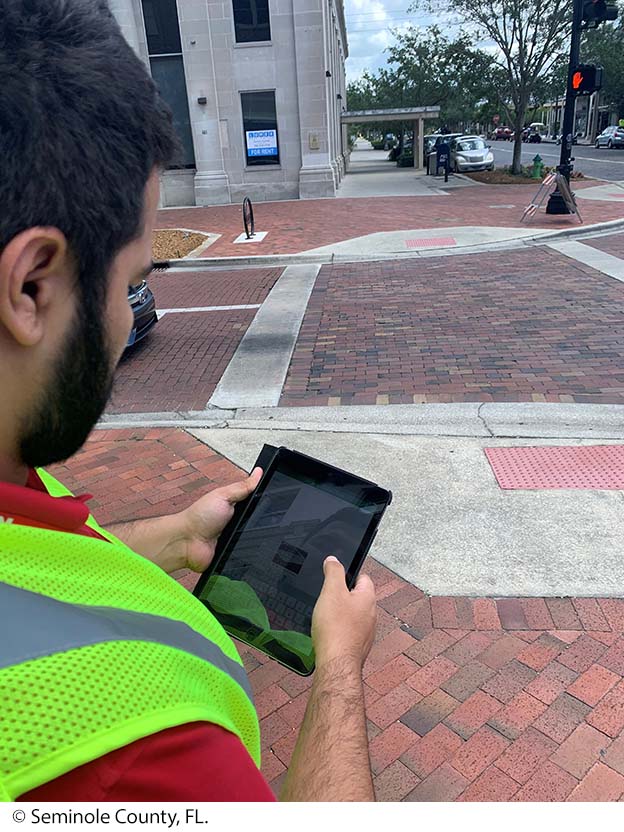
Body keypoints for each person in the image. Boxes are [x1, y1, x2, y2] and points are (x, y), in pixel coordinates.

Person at [0, 0, 377, 803]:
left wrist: (175, 537)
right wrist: (339, 667)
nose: (124, 315)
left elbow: (30, 585)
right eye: (132, 280)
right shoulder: (136, 752)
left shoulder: (16, 474)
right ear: (30, 286)